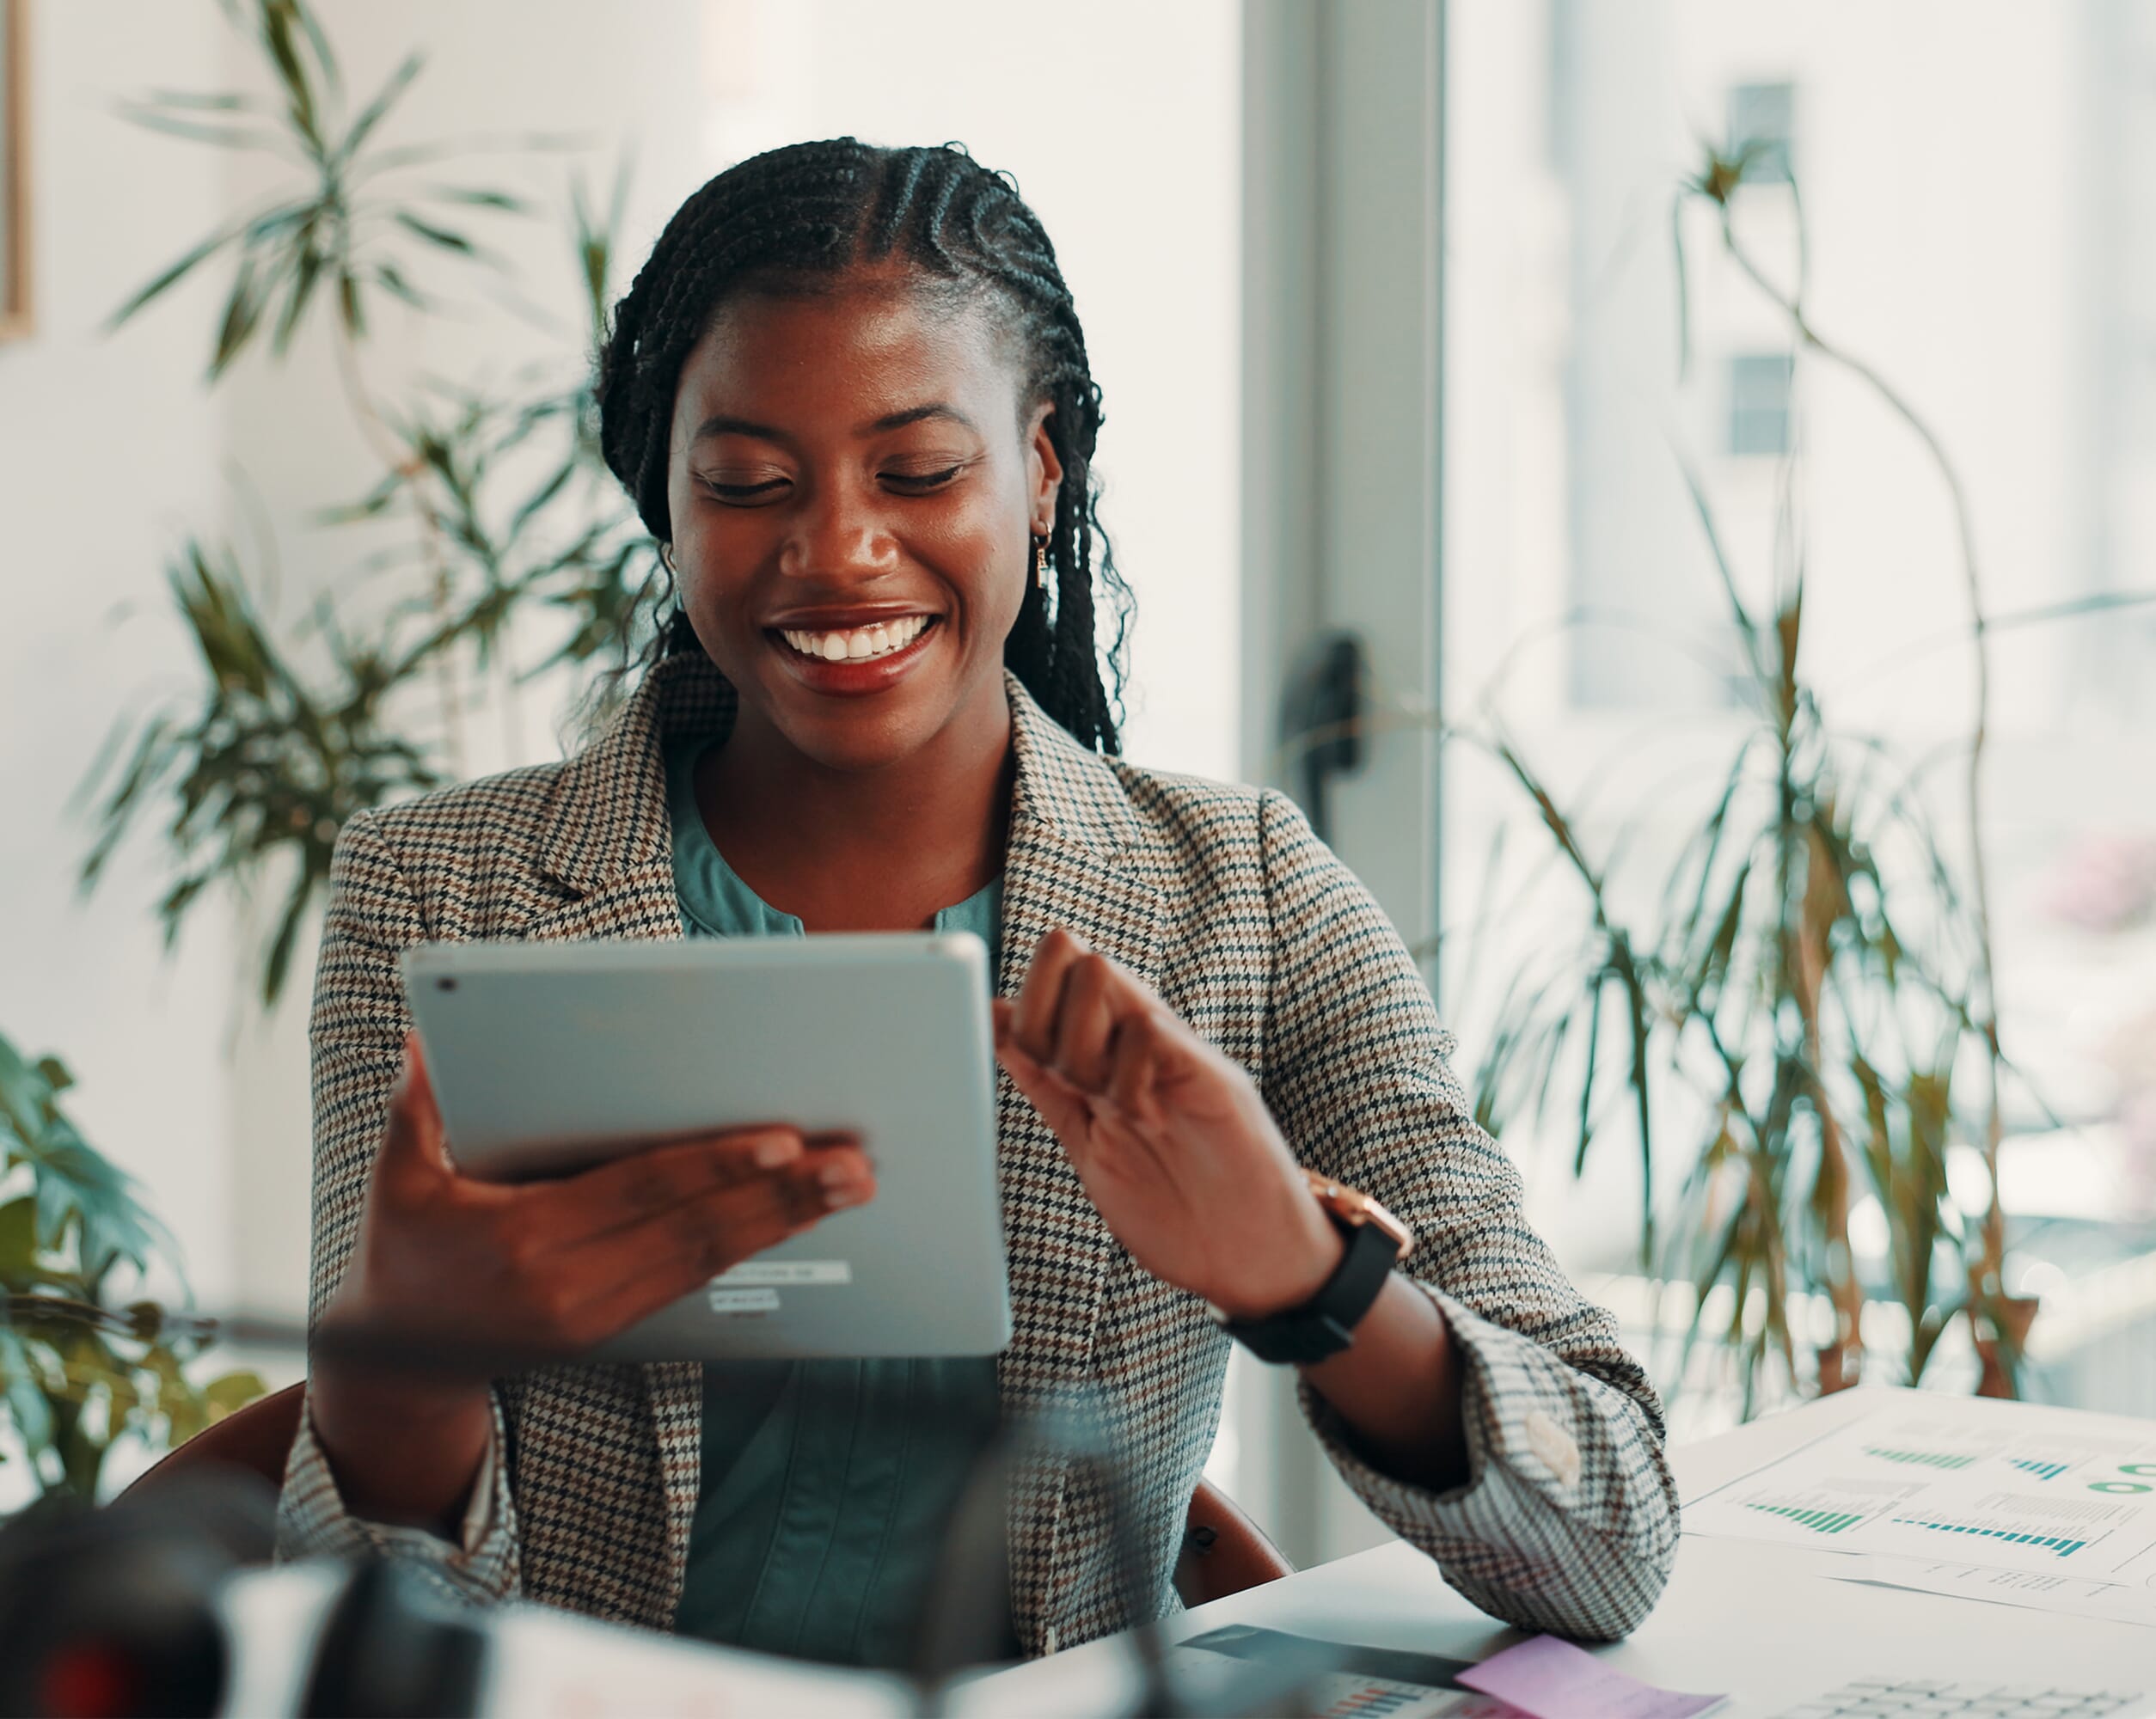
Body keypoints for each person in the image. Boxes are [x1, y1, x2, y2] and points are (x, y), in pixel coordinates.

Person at [276, 138, 1678, 1667]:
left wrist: (1304, 1272)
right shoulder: (441, 895)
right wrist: (398, 1372)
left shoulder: (1247, 902)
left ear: (1043, 467)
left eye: (921, 471)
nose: (837, 552)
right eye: (747, 482)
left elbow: (1617, 1544)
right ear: (661, 500)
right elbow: (357, 1643)